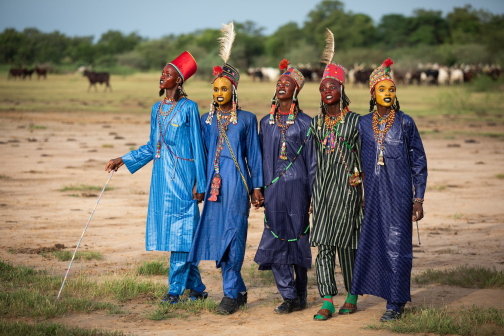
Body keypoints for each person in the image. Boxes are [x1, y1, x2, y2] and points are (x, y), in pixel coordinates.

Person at [104, 51, 208, 304]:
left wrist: (200, 183)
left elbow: (198, 146)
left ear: (179, 80)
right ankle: (197, 288)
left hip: (184, 178)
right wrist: (124, 159)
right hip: (161, 180)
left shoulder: (190, 108)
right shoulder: (156, 109)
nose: (162, 77)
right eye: (162, 73)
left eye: (168, 73)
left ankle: (174, 291)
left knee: (183, 234)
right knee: (176, 236)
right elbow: (153, 146)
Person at [188, 22, 263, 315]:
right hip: (212, 187)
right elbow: (201, 154)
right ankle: (239, 290)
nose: (219, 92)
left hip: (237, 186)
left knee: (234, 234)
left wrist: (257, 187)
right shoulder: (206, 121)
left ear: (234, 90)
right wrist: (198, 184)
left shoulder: (246, 119)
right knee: (219, 236)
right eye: (216, 88)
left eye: (225, 88)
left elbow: (254, 156)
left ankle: (230, 294)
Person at [351, 58, 428, 322]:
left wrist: (418, 199)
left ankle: (395, 303)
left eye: (391, 90)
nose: (387, 94)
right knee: (376, 245)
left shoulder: (406, 123)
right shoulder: (362, 123)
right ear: (373, 94)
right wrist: (358, 185)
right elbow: (352, 157)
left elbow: (419, 161)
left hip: (399, 196)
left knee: (397, 246)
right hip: (372, 196)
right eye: (382, 90)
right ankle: (381, 292)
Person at [254, 59, 315, 314]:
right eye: (279, 83)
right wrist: (258, 188)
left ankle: (301, 292)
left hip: (299, 191)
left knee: (299, 241)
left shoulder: (307, 123)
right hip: (274, 192)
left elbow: (312, 164)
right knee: (275, 238)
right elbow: (259, 159)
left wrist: (313, 196)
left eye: (287, 83)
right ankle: (288, 296)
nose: (281, 86)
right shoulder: (264, 123)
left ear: (296, 90)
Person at [310, 28, 364, 321]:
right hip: (322, 192)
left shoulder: (356, 122)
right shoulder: (316, 124)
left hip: (348, 191)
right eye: (322, 87)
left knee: (348, 246)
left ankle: (353, 294)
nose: (327, 90)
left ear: (342, 90)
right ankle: (328, 299)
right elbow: (310, 159)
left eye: (332, 86)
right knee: (324, 244)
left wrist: (364, 190)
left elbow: (364, 160)